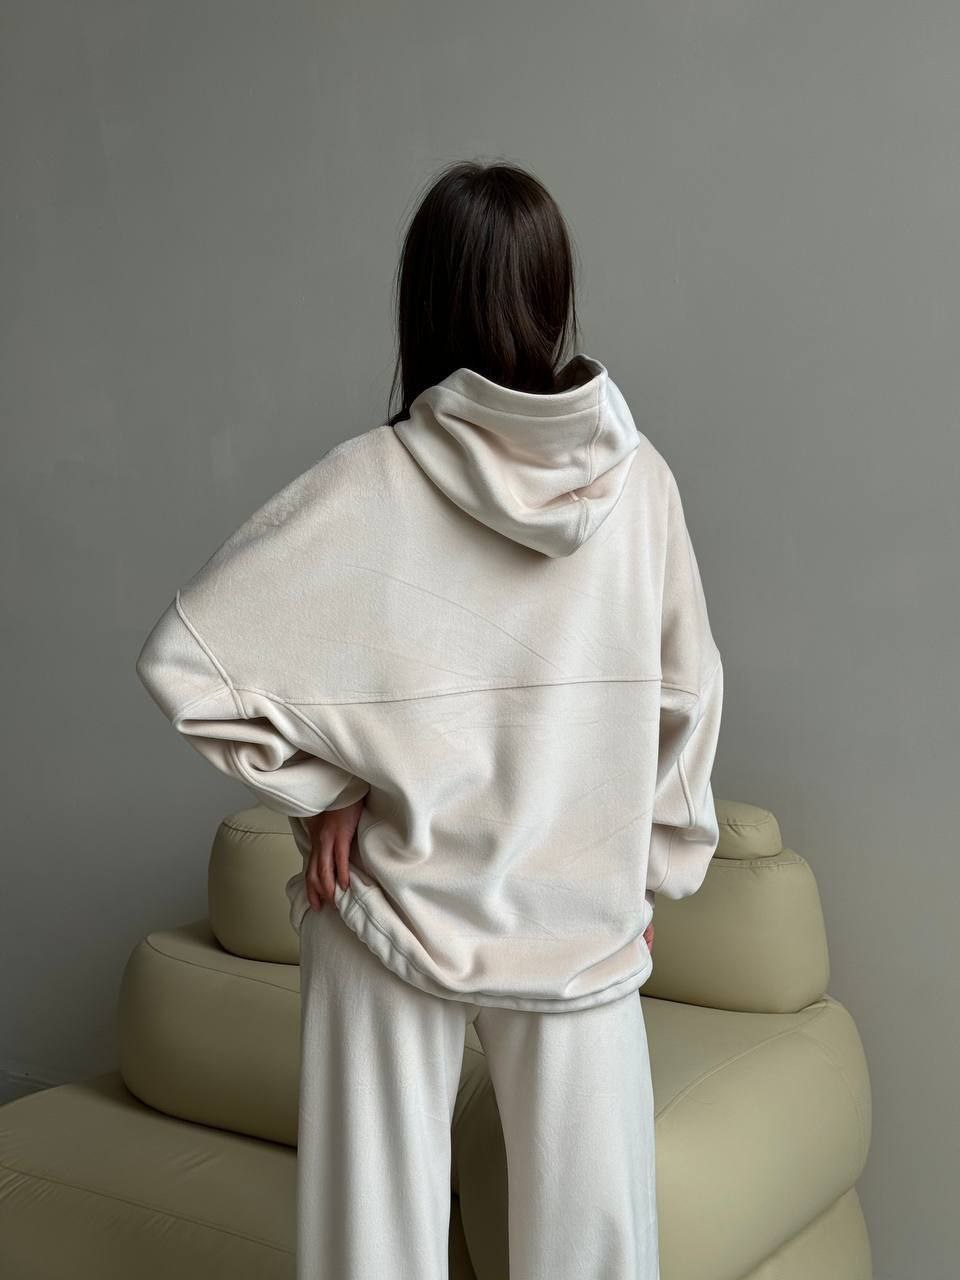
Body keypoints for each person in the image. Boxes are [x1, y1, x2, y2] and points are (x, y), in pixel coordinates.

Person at [136, 158, 724, 1280]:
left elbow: (189, 661)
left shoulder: (374, 478)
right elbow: (687, 705)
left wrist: (330, 788)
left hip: (391, 904)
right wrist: (645, 875)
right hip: (580, 922)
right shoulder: (641, 484)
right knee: (595, 1253)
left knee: (371, 1250)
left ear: (426, 301)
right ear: (553, 295)